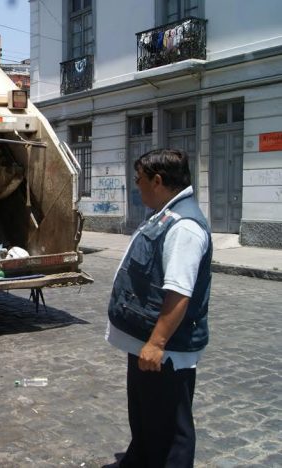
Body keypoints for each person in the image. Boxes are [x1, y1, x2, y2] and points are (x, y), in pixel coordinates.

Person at [106, 149, 212, 467]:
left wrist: (156, 343)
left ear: (157, 181)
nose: (136, 186)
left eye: (138, 179)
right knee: (146, 418)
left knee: (171, 428)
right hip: (146, 342)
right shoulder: (165, 213)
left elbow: (179, 293)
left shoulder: (184, 227)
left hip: (164, 350)